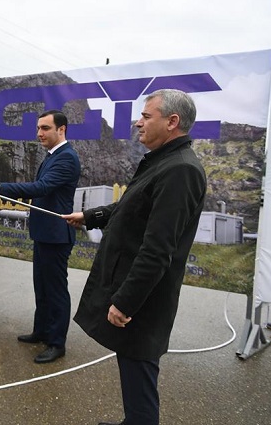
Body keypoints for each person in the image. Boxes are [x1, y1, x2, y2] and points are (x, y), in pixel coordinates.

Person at [62, 89, 207, 425]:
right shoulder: (164, 161)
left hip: (143, 301)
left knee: (139, 376)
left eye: (146, 116)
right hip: (137, 293)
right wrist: (90, 216)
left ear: (172, 122)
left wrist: (125, 302)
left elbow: (158, 249)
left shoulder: (180, 170)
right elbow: (132, 206)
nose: (138, 122)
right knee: (133, 370)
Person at [0, 109, 80, 363]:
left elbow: (41, 188)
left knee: (55, 291)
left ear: (61, 130)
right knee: (41, 287)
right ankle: (41, 331)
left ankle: (56, 343)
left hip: (56, 235)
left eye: (45, 128)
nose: (39, 133)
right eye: (38, 128)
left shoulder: (67, 158)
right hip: (44, 233)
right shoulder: (52, 156)